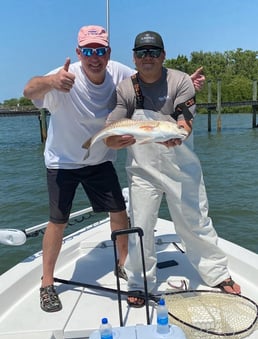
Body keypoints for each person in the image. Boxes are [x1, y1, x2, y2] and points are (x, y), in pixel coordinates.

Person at [23, 25, 205, 313]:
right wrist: (51, 81)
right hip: (62, 161)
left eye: (100, 51)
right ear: (78, 52)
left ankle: (124, 266)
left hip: (101, 160)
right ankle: (47, 283)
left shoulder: (119, 73)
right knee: (57, 220)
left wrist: (186, 87)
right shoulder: (64, 76)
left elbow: (151, 79)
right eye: (88, 51)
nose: (94, 57)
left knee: (119, 212)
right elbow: (28, 89)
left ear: (108, 53)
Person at [105, 30, 241, 308]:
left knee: (195, 222)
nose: (148, 58)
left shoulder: (180, 81)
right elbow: (112, 127)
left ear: (163, 55)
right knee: (140, 225)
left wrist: (179, 134)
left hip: (181, 165)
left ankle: (216, 273)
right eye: (142, 53)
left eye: (154, 52)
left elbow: (186, 122)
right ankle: (139, 282)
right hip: (142, 170)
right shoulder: (126, 89)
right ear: (134, 57)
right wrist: (112, 140)